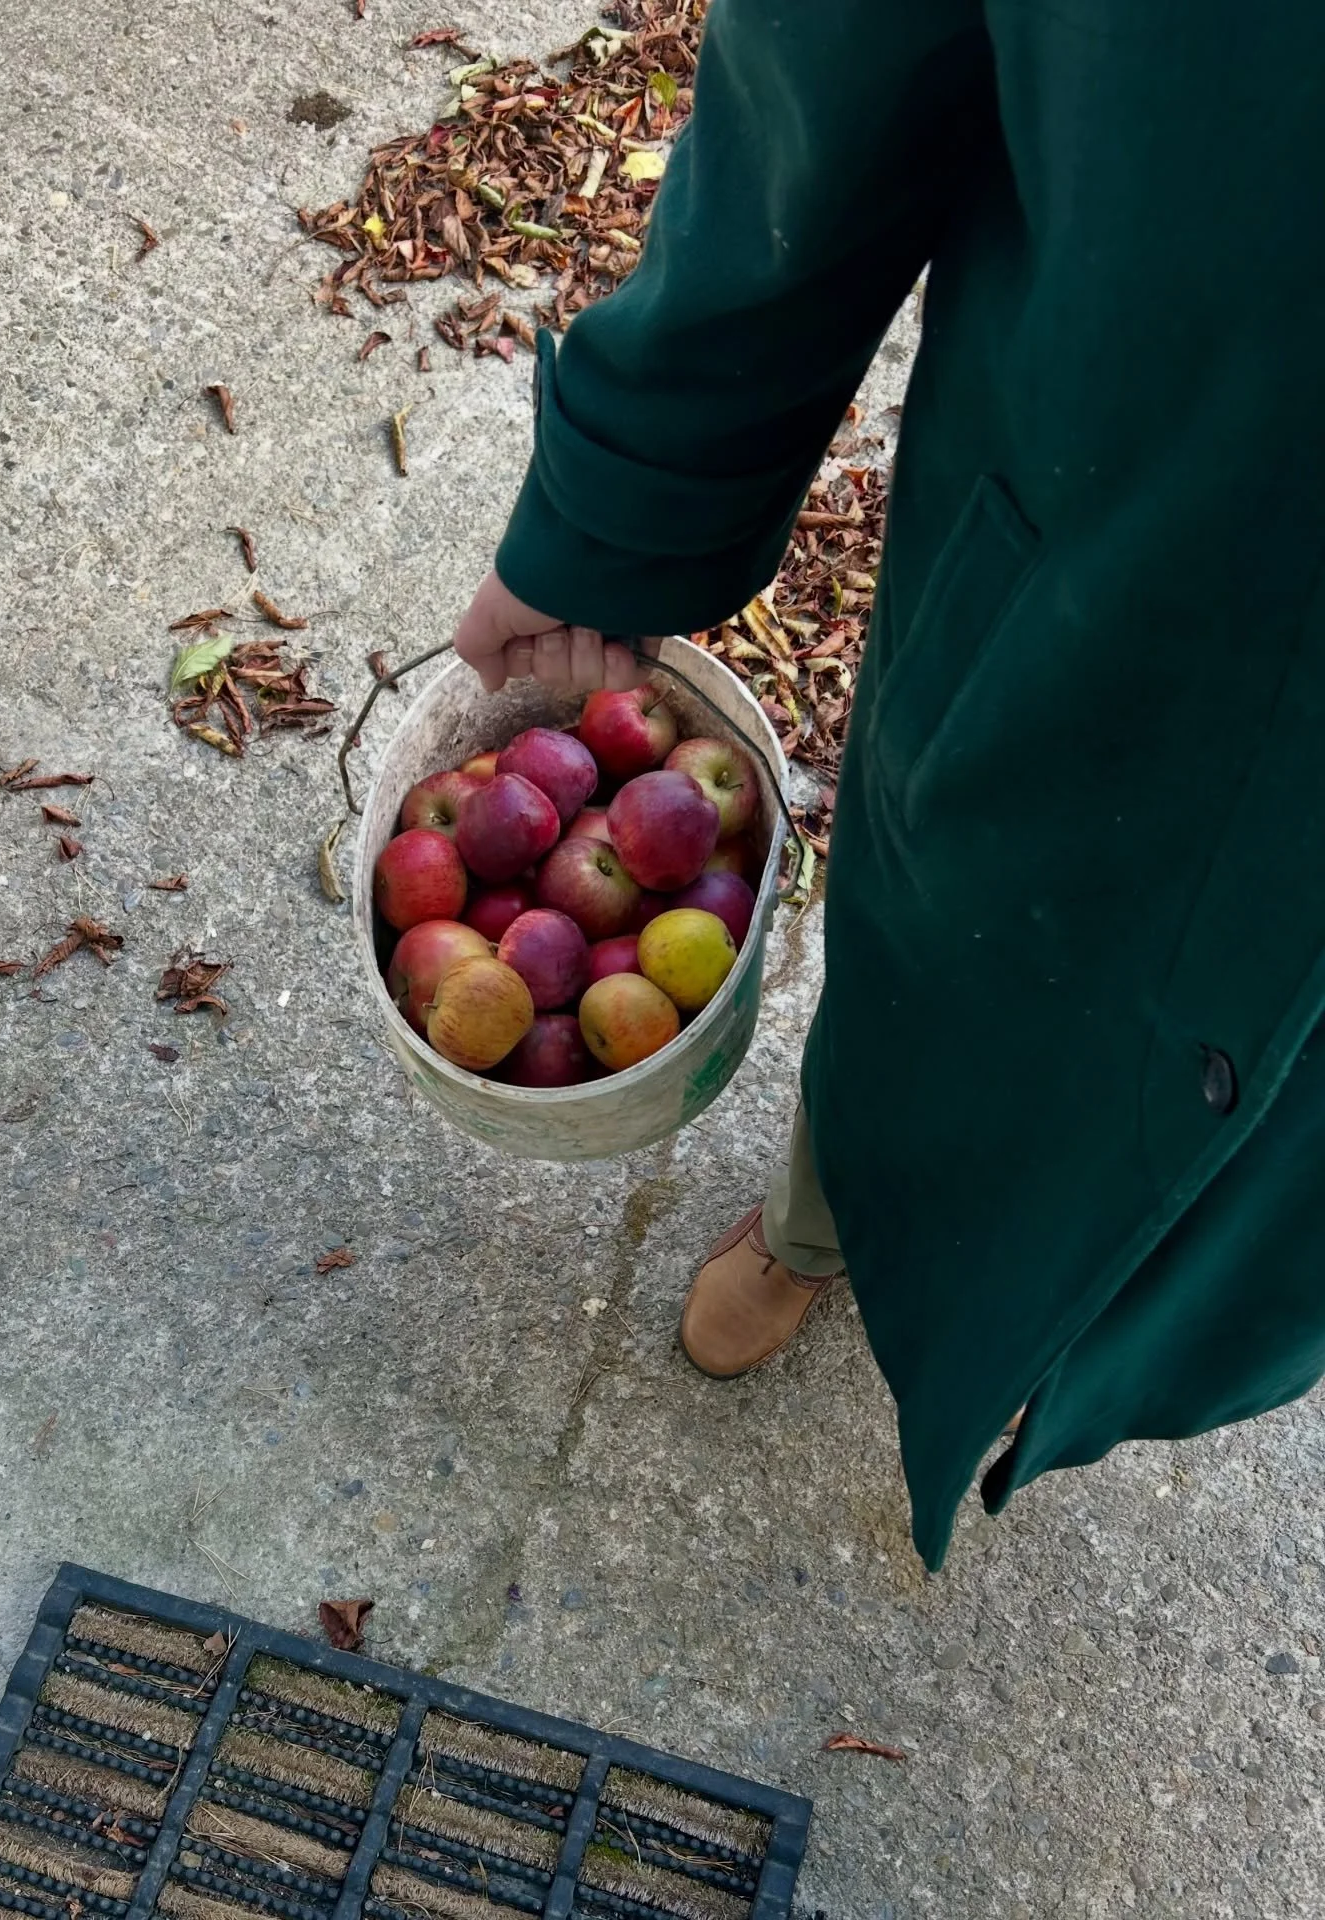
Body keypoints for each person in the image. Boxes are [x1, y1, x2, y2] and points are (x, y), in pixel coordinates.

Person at [453, 0, 1325, 1569]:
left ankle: (1081, 1352)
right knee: (938, 981)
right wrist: (626, 502)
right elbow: (832, 55)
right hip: (1087, 604)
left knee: (1253, 1213)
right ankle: (824, 1226)